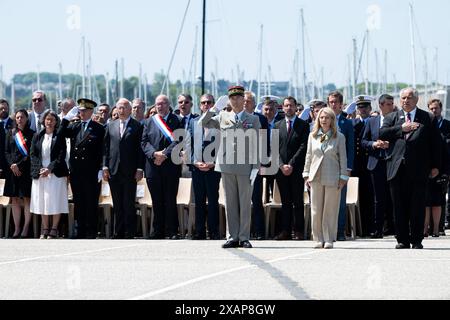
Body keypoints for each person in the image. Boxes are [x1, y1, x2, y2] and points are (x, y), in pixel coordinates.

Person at [199, 86, 261, 249]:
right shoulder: (222, 117)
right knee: (230, 203)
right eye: (232, 98)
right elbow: (202, 122)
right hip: (226, 165)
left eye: (238, 98)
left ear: (244, 100)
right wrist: (213, 109)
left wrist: (256, 166)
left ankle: (244, 236)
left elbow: (256, 144)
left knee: (245, 203)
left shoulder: (252, 119)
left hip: (245, 165)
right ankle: (232, 236)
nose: (235, 100)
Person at [380, 88, 441, 249]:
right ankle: (402, 239)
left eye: (409, 97)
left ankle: (416, 239)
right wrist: (402, 129)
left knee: (417, 206)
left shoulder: (427, 118)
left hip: (419, 170)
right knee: (398, 206)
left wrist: (436, 166)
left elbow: (436, 144)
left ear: (416, 99)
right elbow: (382, 133)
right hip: (397, 168)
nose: (405, 100)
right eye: (403, 98)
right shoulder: (392, 117)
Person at [303, 107, 348, 249]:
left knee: (330, 208)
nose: (324, 120)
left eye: (327, 117)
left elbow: (343, 158)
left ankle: (328, 238)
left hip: (332, 176)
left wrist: (343, 176)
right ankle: (318, 238)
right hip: (315, 175)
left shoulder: (339, 137)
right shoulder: (313, 136)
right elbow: (309, 156)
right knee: (316, 208)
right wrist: (306, 174)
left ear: (332, 120)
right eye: (321, 117)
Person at [59, 98, 105, 239]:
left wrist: (101, 168)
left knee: (91, 201)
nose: (82, 113)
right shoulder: (74, 126)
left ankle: (91, 230)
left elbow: (102, 150)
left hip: (91, 171)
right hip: (77, 170)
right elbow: (60, 133)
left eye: (85, 111)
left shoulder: (98, 128)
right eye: (80, 110)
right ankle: (80, 230)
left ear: (91, 111)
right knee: (79, 201)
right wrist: (66, 118)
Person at [141, 95, 182, 239]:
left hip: (170, 166)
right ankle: (157, 231)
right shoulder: (149, 122)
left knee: (170, 199)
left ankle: (171, 231)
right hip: (153, 166)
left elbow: (179, 140)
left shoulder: (177, 120)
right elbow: (144, 142)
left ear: (169, 105)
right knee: (156, 200)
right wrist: (154, 154)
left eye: (163, 103)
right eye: (157, 104)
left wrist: (164, 154)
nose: (160, 106)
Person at [103, 98, 145, 239]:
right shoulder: (110, 125)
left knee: (128, 203)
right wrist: (105, 167)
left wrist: (140, 168)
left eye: (124, 108)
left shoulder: (137, 126)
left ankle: (130, 231)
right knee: (117, 203)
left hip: (130, 170)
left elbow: (140, 149)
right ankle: (118, 231)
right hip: (114, 170)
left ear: (129, 109)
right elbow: (106, 148)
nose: (121, 110)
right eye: (119, 108)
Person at [273, 96, 309, 240]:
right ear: (283, 107)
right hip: (281, 170)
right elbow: (273, 148)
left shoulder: (303, 125)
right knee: (285, 202)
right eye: (286, 105)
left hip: (296, 169)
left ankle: (299, 231)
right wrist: (282, 165)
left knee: (298, 201)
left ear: (296, 107)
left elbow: (303, 147)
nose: (289, 108)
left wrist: (291, 164)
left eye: (291, 105)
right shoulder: (277, 125)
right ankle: (285, 231)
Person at [30, 110, 69, 239]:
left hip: (56, 173)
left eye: (52, 119)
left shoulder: (59, 135)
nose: (50, 122)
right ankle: (45, 227)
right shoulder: (37, 135)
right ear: (43, 121)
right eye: (47, 119)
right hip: (41, 174)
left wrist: (50, 169)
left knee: (55, 201)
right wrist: (41, 169)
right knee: (42, 201)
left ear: (56, 121)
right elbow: (33, 154)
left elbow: (61, 155)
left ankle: (54, 228)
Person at [187, 94, 221, 240]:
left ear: (213, 104)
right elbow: (188, 144)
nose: (206, 105)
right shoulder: (194, 122)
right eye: (203, 103)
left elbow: (223, 146)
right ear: (199, 106)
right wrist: (195, 162)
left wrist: (214, 163)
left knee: (213, 200)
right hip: (197, 168)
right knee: (199, 201)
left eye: (209, 102)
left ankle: (213, 231)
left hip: (213, 168)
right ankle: (199, 231)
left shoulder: (219, 122)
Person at [361, 94, 395, 238]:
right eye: (388, 104)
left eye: (392, 104)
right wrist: (374, 144)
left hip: (392, 162)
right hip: (376, 163)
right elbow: (363, 141)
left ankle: (394, 228)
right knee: (378, 198)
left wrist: (390, 144)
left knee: (394, 197)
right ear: (381, 105)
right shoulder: (372, 121)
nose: (391, 106)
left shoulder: (397, 119)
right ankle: (378, 229)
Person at [328, 91, 354, 241]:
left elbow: (351, 147)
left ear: (341, 104)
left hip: (341, 167)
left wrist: (348, 168)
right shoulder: (323, 121)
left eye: (335, 102)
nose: (333, 104)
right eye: (330, 102)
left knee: (340, 202)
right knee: (327, 201)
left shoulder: (347, 123)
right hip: (326, 167)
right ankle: (328, 230)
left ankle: (339, 231)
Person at [4, 109, 34, 238]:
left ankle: (26, 228)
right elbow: (6, 151)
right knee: (14, 199)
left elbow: (31, 154)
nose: (19, 119)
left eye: (22, 117)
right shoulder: (11, 133)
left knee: (27, 198)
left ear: (27, 119)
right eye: (17, 117)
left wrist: (19, 165)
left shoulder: (32, 134)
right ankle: (17, 228)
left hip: (25, 170)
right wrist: (12, 164)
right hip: (12, 171)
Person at [244, 91, 269, 240]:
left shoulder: (261, 119)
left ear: (254, 103)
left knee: (256, 199)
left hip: (255, 165)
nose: (245, 103)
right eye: (244, 101)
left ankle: (259, 231)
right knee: (242, 201)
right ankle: (244, 231)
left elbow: (265, 141)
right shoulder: (237, 118)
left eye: (248, 101)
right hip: (239, 166)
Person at [424, 99, 450, 237]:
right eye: (431, 108)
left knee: (439, 200)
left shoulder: (447, 125)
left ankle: (439, 227)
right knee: (426, 201)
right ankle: (426, 228)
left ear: (441, 109)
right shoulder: (425, 125)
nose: (434, 111)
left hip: (442, 167)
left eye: (436, 108)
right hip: (426, 169)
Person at [352, 96, 374, 236]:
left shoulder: (374, 122)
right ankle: (357, 227)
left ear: (370, 108)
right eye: (360, 107)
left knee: (370, 198)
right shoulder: (353, 124)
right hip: (357, 165)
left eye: (365, 107)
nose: (363, 109)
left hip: (371, 163)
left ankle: (370, 227)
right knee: (357, 197)